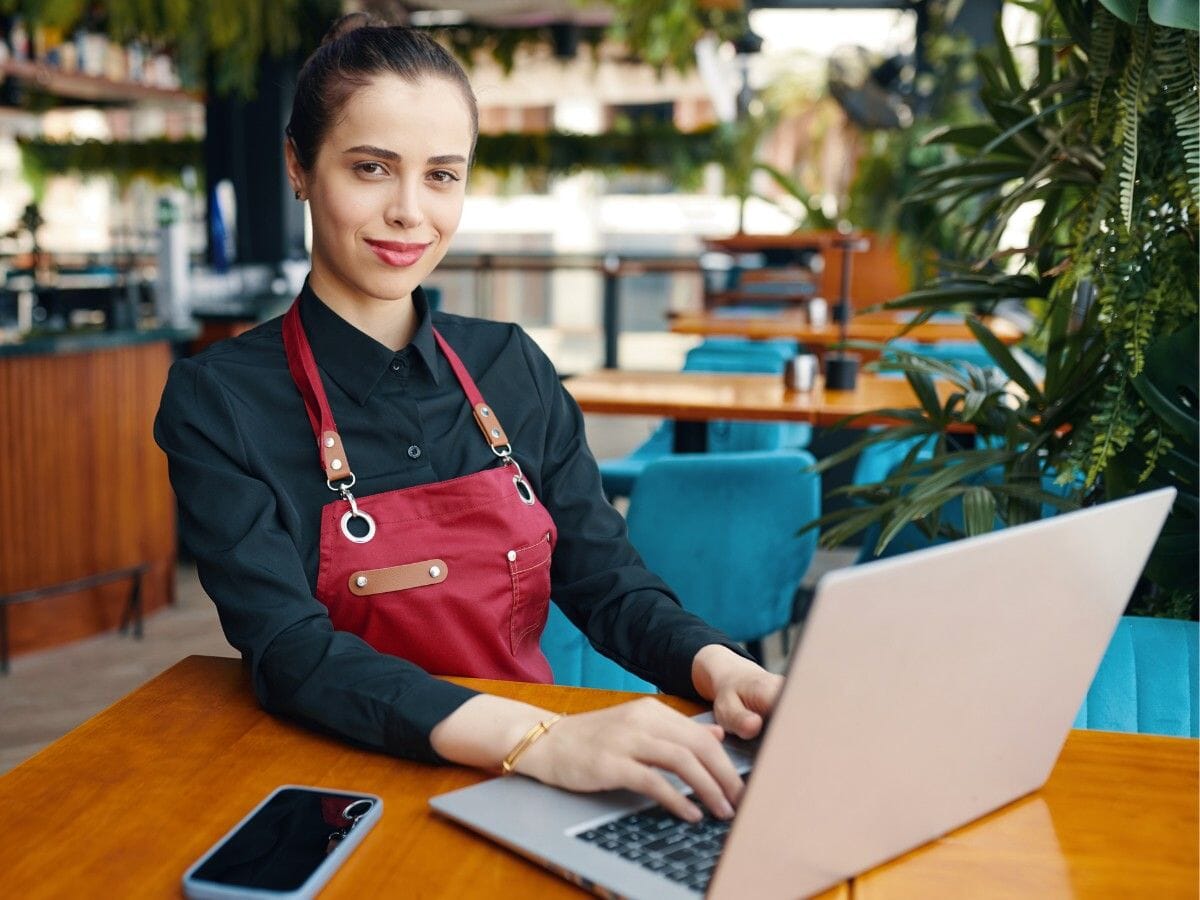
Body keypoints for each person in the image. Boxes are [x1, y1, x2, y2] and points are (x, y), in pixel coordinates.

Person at [155, 14, 782, 824]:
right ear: (299, 167)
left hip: (539, 785)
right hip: (338, 789)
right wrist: (538, 739)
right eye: (372, 168)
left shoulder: (510, 365)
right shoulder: (220, 402)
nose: (410, 212)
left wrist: (717, 666)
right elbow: (290, 653)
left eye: (442, 175)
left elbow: (607, 583)